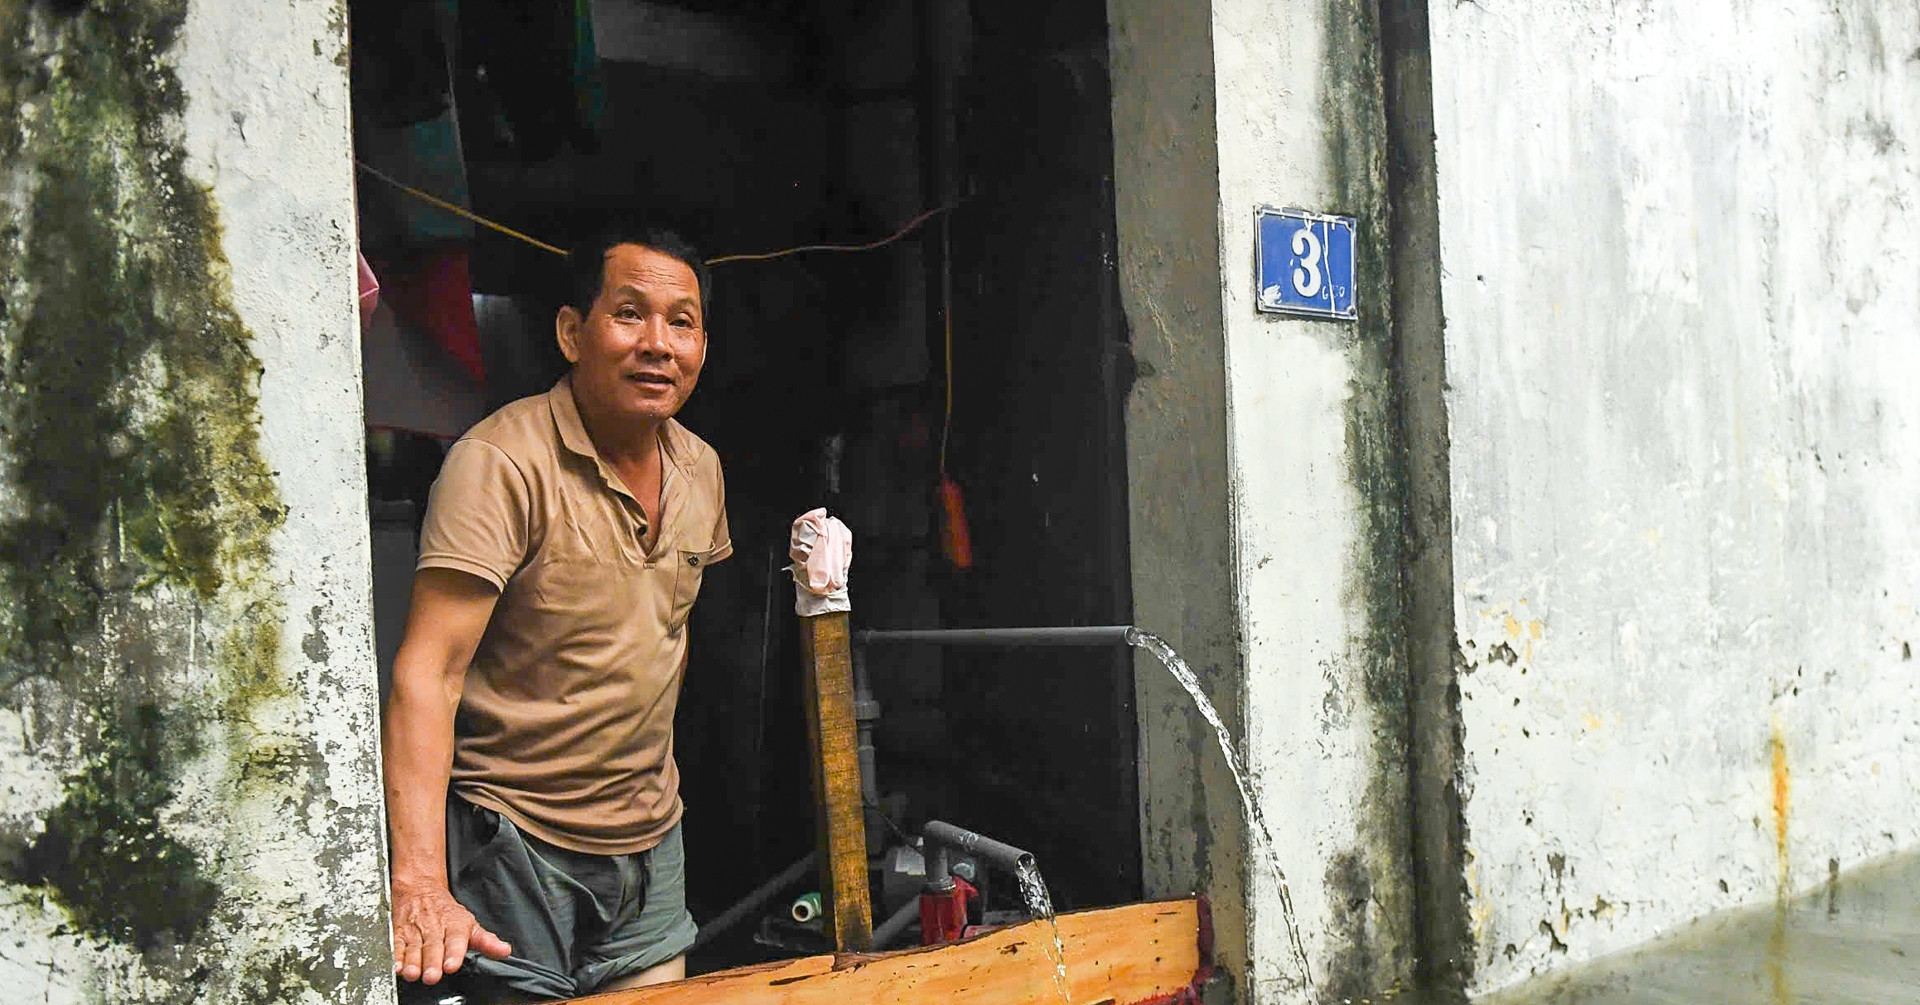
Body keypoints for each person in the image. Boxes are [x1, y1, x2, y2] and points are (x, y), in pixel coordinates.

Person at [383, 226, 729, 1003]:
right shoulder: (498, 464)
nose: (658, 343)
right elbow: (426, 672)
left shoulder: (702, 469)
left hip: (648, 843)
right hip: (513, 844)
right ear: (573, 332)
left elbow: (654, 641)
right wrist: (420, 885)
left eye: (682, 321)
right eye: (629, 313)